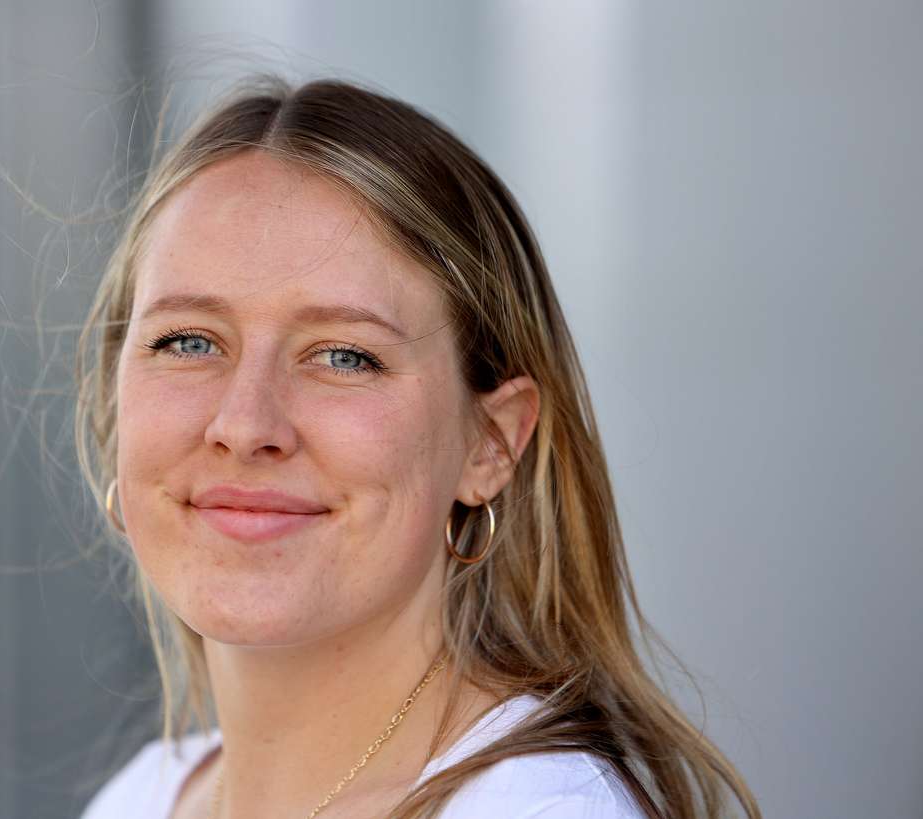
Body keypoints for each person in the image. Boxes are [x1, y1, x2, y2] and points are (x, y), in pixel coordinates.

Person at [73, 75, 761, 819]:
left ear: (490, 443)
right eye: (189, 340)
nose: (244, 425)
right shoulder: (143, 798)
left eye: (343, 355)